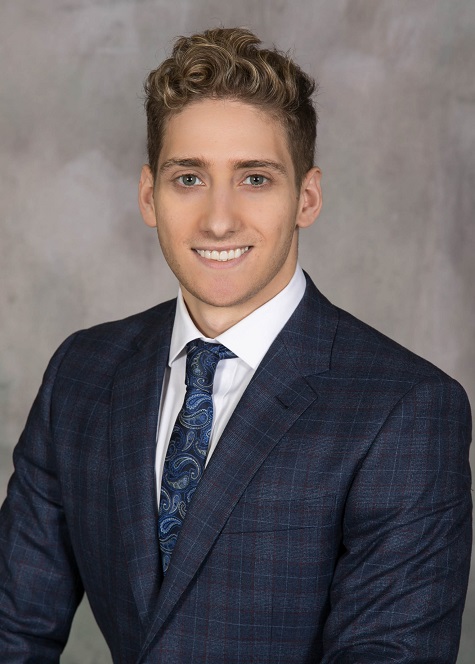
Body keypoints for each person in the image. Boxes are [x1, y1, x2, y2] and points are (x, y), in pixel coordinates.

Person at [0, 27, 472, 664]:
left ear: (306, 197)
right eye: (189, 178)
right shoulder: (82, 373)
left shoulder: (406, 410)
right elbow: (12, 629)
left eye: (254, 178)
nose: (219, 219)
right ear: (149, 195)